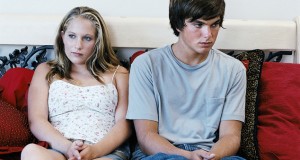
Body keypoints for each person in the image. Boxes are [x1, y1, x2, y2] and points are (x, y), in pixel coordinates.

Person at [126, 0, 246, 160]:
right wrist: (187, 156)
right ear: (178, 25)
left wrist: (209, 157)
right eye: (198, 25)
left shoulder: (233, 69)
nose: (208, 34)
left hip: (210, 153)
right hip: (160, 153)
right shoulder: (146, 64)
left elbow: (230, 136)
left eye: (214, 25)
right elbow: (146, 136)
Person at [21, 6, 131, 160]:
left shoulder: (119, 74)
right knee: (30, 152)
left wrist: (94, 151)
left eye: (87, 38)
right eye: (72, 36)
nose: (78, 45)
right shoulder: (45, 70)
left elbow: (124, 124)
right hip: (59, 149)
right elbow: (37, 120)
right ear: (62, 37)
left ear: (98, 41)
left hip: (104, 151)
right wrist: (67, 147)